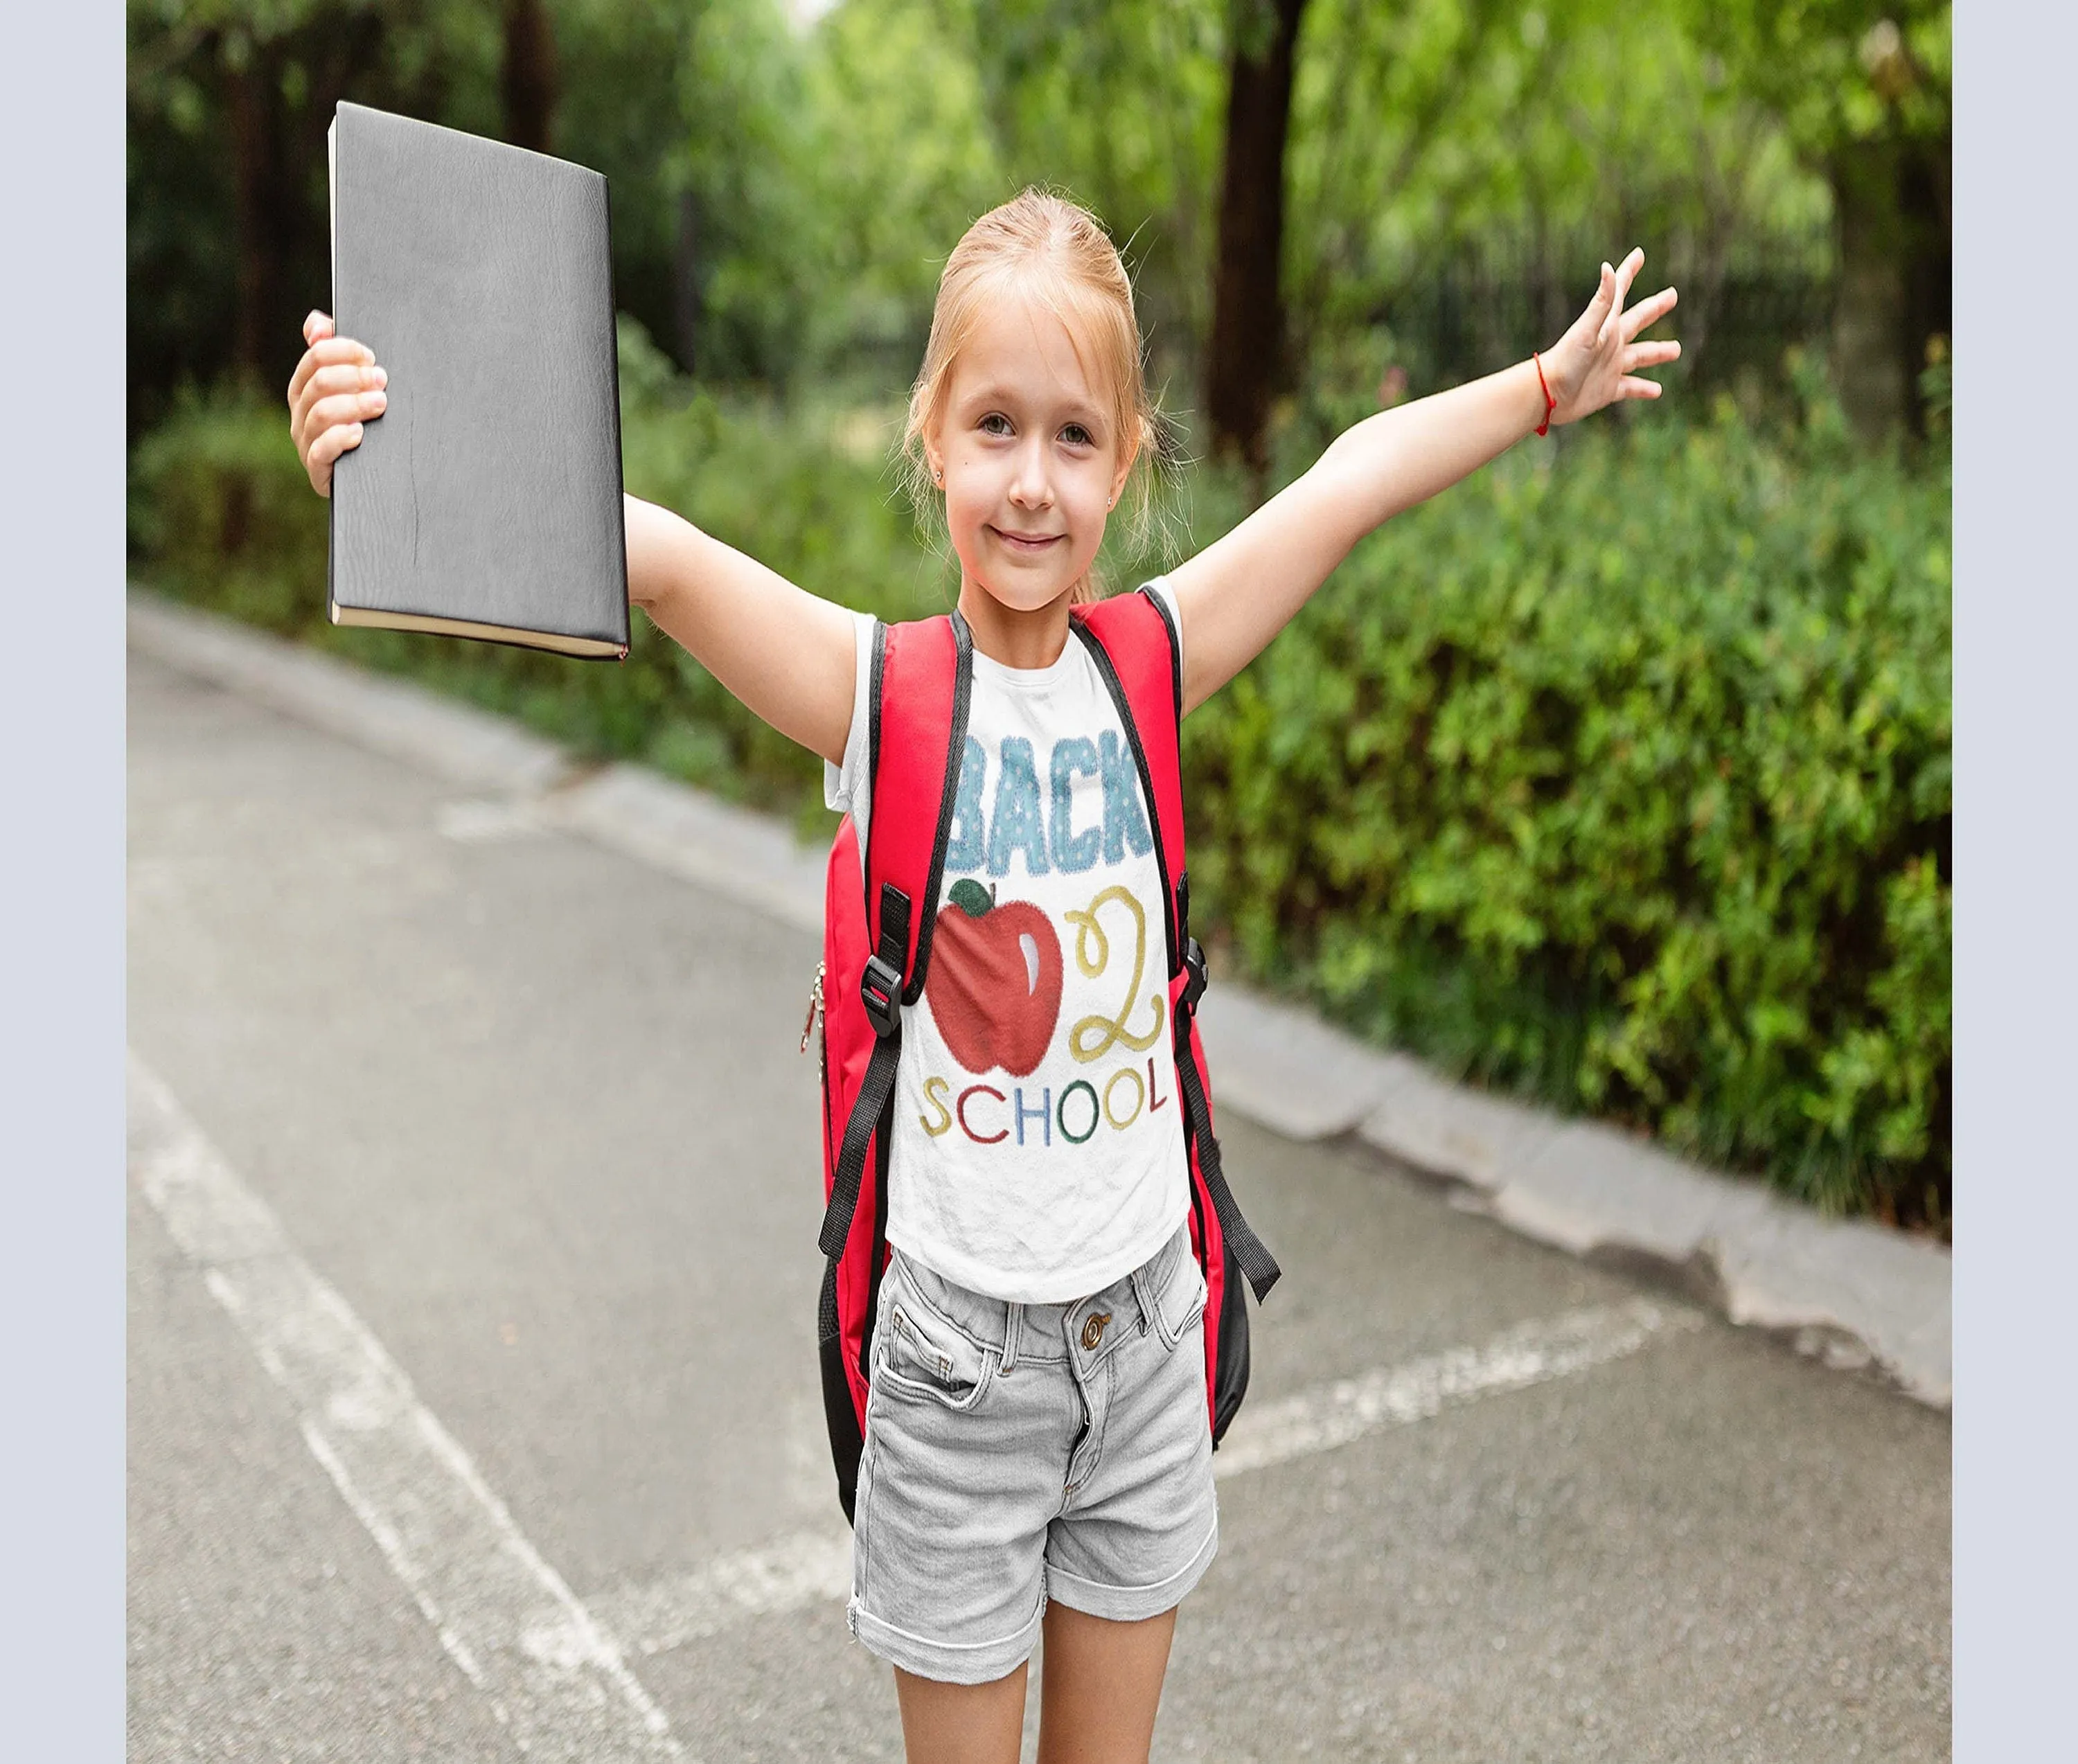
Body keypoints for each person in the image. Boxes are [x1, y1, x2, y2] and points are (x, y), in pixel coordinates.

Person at [287, 188, 1677, 1764]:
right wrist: (385, 440)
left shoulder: (1153, 660)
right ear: (931, 438)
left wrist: (1544, 389)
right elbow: (651, 555)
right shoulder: (877, 691)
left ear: (1130, 457)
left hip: (1147, 1329)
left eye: (1075, 437)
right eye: (996, 426)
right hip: (957, 1368)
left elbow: (1345, 488)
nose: (1032, 480)